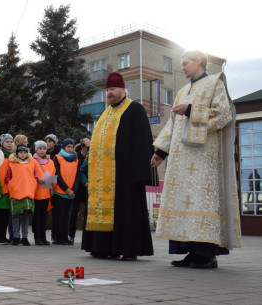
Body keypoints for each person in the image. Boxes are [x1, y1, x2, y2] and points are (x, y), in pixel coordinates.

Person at [151, 50, 241, 268]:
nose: (181, 68)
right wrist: (161, 151)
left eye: (185, 64)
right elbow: (173, 123)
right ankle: (190, 252)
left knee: (201, 201)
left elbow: (224, 115)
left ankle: (207, 255)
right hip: (181, 160)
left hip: (204, 158)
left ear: (198, 61)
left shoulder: (214, 83)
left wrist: (191, 110)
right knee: (183, 201)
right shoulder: (182, 91)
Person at [81, 72, 154, 261]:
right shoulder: (106, 113)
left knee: (126, 212)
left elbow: (142, 141)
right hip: (103, 175)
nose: (109, 93)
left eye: (112, 89)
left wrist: (139, 173)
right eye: (107, 90)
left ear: (123, 89)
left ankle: (129, 249)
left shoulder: (135, 109)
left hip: (125, 174)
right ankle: (103, 247)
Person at [5, 144, 42, 246]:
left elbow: (35, 177)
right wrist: (12, 184)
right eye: (21, 152)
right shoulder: (12, 164)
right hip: (16, 192)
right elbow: (8, 177)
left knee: (26, 216)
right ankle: (16, 237)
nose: (23, 154)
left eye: (25, 152)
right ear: (17, 154)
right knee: (15, 215)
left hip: (27, 192)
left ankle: (25, 237)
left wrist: (33, 183)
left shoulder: (31, 164)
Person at [51, 138, 81, 245]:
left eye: (72, 147)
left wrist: (73, 190)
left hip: (71, 193)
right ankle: (58, 237)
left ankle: (65, 236)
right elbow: (57, 175)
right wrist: (66, 189)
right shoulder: (58, 158)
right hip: (60, 191)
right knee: (60, 215)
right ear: (64, 147)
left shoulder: (76, 160)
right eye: (68, 147)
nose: (70, 149)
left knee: (67, 216)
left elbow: (77, 176)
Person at [32, 140, 56, 245]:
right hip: (36, 192)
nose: (42, 151)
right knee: (37, 215)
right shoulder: (32, 161)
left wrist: (54, 180)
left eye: (44, 148)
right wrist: (37, 179)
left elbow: (53, 173)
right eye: (40, 148)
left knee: (44, 215)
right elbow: (30, 174)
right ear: (36, 149)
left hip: (46, 192)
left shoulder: (50, 162)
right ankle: (37, 237)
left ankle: (43, 236)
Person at [68, 138, 90, 245]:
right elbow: (78, 172)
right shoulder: (77, 157)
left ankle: (87, 236)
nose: (89, 149)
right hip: (78, 188)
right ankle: (71, 235)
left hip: (88, 189)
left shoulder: (92, 155)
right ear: (82, 147)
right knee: (74, 212)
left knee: (87, 212)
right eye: (87, 147)